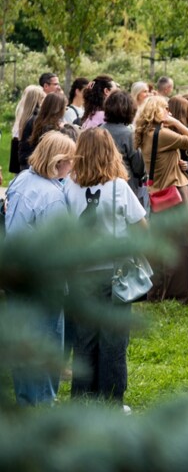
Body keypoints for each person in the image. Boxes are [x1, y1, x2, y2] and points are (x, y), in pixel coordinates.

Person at [63, 128, 146, 410]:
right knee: (114, 339)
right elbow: (141, 226)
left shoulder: (69, 187)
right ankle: (111, 400)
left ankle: (82, 398)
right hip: (115, 270)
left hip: (80, 271)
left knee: (84, 338)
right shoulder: (119, 187)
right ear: (111, 153)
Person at [4, 131, 75, 406]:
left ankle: (26, 398)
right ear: (58, 162)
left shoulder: (22, 179)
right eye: (70, 160)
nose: (73, 165)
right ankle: (43, 401)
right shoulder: (52, 197)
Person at [135, 95, 188, 304]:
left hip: (158, 192)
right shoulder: (164, 134)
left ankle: (157, 292)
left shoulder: (147, 134)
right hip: (173, 193)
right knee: (180, 245)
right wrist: (177, 123)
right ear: (156, 112)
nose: (168, 112)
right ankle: (176, 293)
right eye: (165, 108)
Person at [99, 90, 144, 183]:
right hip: (125, 184)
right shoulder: (129, 134)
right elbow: (138, 167)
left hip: (101, 182)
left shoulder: (98, 130)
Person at [19, 92, 67, 171]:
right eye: (65, 107)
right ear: (59, 109)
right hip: (42, 166)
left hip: (29, 162)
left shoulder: (34, 121)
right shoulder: (52, 128)